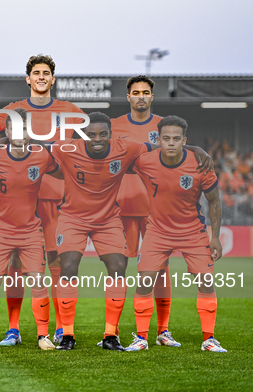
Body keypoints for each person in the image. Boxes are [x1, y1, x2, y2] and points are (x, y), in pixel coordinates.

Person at [49, 112, 212, 351]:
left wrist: (198, 149)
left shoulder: (127, 148)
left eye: (103, 134)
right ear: (83, 135)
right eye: (91, 134)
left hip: (108, 219)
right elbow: (33, 147)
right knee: (69, 265)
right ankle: (67, 335)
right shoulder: (67, 147)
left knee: (118, 267)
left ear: (110, 135)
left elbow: (165, 145)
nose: (97, 139)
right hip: (72, 219)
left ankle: (110, 335)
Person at [0, 54, 86, 345]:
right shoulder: (13, 110)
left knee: (57, 264)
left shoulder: (70, 110)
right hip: (21, 202)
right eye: (36, 72)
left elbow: (86, 148)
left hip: (58, 200)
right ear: (28, 78)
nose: (41, 77)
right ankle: (13, 328)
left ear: (53, 78)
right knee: (13, 267)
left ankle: (61, 327)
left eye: (46, 72)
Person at [124, 115, 226, 352]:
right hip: (157, 231)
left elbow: (215, 202)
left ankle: (209, 339)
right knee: (145, 281)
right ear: (158, 139)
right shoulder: (145, 161)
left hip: (193, 231)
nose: (171, 143)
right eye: (166, 138)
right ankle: (141, 338)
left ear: (184, 141)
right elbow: (117, 160)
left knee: (206, 281)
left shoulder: (200, 164)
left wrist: (215, 237)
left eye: (176, 139)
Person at [0, 108, 60, 350]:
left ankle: (43, 336)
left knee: (38, 282)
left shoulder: (42, 156)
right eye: (14, 129)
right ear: (7, 131)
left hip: (31, 231)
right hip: (0, 230)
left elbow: (65, 172)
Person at [108, 75, 178, 347]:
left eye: (145, 92)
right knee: (117, 268)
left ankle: (162, 331)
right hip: (120, 207)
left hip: (156, 209)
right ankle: (111, 332)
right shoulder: (114, 127)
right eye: (135, 92)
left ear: (152, 96)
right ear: (128, 96)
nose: (140, 96)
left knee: (161, 269)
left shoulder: (164, 127)